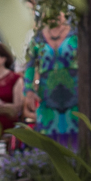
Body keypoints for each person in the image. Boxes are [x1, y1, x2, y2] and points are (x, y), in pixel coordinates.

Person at [23, 12, 80, 151]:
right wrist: (28, 91)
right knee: (48, 142)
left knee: (76, 139)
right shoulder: (37, 38)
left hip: (75, 95)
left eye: (57, 10)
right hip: (47, 96)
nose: (54, 14)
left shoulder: (76, 35)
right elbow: (29, 66)